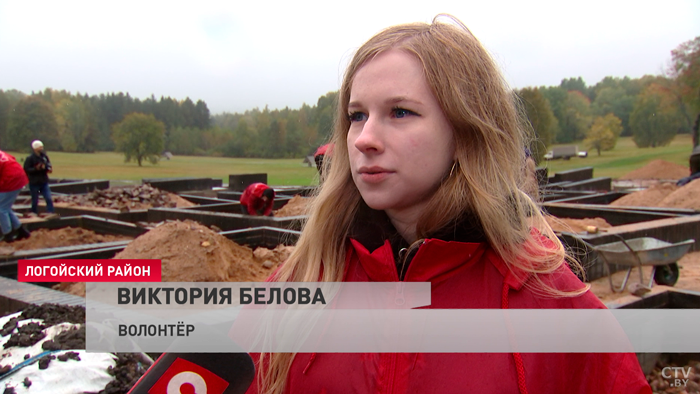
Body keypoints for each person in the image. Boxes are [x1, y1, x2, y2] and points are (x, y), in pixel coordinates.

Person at [246, 16, 650, 394]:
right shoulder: (303, 279)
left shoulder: (549, 297)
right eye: (357, 115)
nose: (364, 138)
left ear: (464, 131)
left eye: (400, 112)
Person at [0, 150, 31, 242]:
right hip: (20, 176)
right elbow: (12, 158)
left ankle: (8, 235)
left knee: (1, 209)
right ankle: (22, 231)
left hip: (10, 180)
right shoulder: (2, 153)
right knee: (5, 207)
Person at [23, 140, 55, 217]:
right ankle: (34, 213)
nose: (41, 148)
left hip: (43, 181)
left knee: (48, 198)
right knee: (35, 200)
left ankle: (51, 213)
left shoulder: (44, 157)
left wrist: (48, 169)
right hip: (34, 182)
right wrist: (36, 169)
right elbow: (26, 169)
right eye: (40, 147)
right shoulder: (30, 158)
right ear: (35, 148)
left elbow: (48, 165)